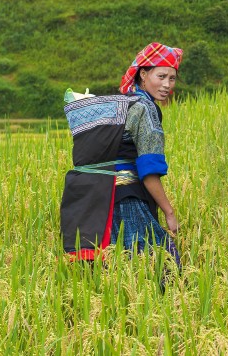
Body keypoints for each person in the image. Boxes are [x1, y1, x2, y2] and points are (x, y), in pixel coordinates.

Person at [60, 42, 182, 272]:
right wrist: (169, 212)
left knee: (105, 276)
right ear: (143, 74)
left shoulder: (123, 104)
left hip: (93, 203)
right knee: (160, 269)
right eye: (162, 76)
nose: (167, 85)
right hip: (127, 201)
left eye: (172, 79)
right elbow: (149, 169)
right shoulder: (145, 109)